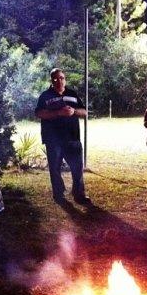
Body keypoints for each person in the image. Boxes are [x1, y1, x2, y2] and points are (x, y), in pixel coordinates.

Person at [35, 68, 90, 205]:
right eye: (56, 78)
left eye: (61, 78)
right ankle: (59, 194)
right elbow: (39, 113)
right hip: (53, 140)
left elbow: (84, 112)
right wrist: (59, 113)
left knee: (77, 167)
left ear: (65, 79)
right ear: (51, 80)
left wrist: (74, 111)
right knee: (55, 168)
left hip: (73, 138)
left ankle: (79, 194)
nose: (59, 81)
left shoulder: (72, 94)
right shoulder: (45, 96)